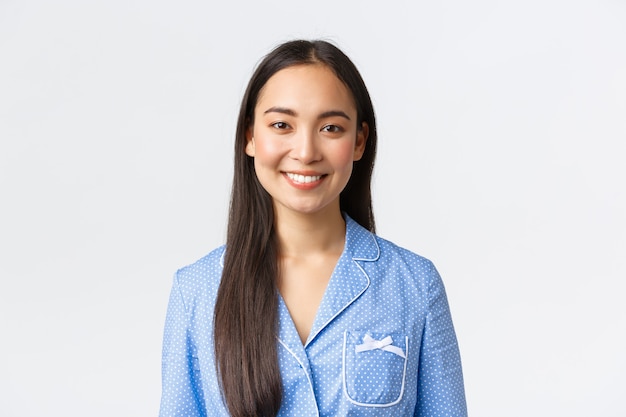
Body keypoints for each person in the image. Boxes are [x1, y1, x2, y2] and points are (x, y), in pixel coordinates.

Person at [159, 39, 467, 417]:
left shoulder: (415, 285)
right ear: (250, 137)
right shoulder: (197, 291)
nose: (306, 152)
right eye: (281, 125)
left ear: (359, 141)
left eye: (331, 127)